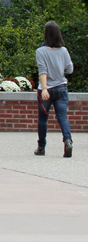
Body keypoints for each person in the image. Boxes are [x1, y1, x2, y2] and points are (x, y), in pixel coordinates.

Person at [34, 21, 74, 158]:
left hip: (45, 89)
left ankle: (41, 147)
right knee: (62, 117)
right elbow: (70, 69)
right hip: (61, 87)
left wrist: (44, 88)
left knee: (43, 119)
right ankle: (68, 140)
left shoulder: (40, 51)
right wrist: (58, 68)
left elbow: (42, 71)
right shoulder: (63, 50)